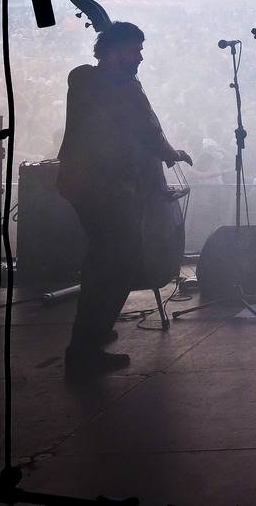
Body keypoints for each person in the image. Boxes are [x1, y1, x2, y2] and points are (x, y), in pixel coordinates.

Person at [55, 22, 192, 378]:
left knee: (105, 259)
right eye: (134, 50)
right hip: (106, 186)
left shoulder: (83, 79)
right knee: (119, 262)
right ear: (114, 52)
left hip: (82, 182)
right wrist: (170, 153)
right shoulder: (119, 86)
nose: (140, 58)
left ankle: (94, 334)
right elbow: (148, 130)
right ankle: (84, 349)